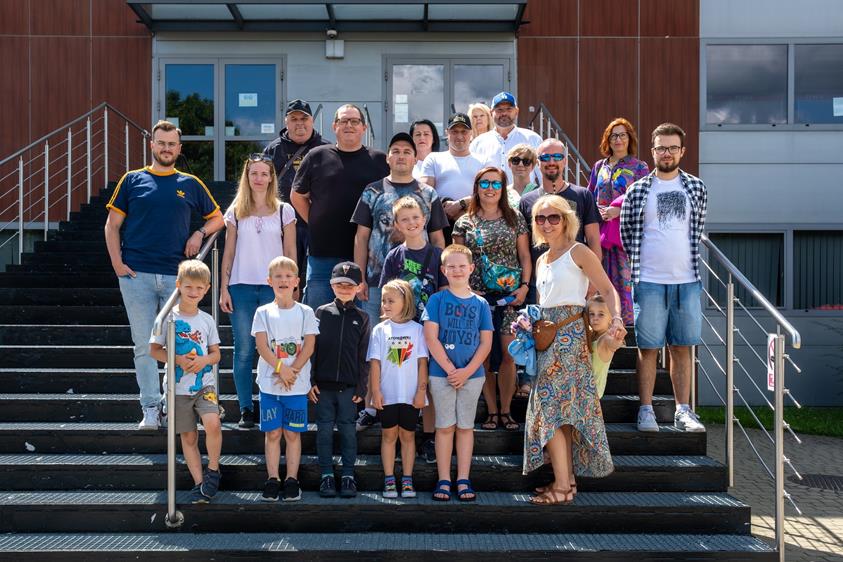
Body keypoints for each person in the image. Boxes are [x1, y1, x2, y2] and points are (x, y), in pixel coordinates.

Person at [104, 119, 223, 429]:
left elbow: (218, 218)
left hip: (176, 279)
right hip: (137, 276)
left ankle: (175, 405)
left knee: (178, 345)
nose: (166, 148)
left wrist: (198, 233)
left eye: (172, 144)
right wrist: (117, 264)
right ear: (152, 145)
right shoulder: (132, 180)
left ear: (178, 148)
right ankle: (151, 408)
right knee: (144, 345)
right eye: (161, 143)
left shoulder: (190, 183)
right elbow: (112, 225)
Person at [525, 196, 622, 505]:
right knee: (558, 415)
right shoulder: (542, 259)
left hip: (568, 338)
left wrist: (616, 318)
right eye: (540, 218)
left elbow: (607, 288)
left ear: (566, 220)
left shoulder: (578, 251)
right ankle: (564, 481)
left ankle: (564, 488)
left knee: (553, 412)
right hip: (547, 338)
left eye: (553, 217)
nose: (547, 223)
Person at [620, 123, 707, 434]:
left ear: (682, 151)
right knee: (648, 347)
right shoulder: (639, 189)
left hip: (687, 280)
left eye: (672, 147)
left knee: (682, 346)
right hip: (650, 281)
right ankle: (646, 409)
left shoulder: (696, 188)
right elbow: (627, 233)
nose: (666, 153)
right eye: (661, 148)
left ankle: (683, 410)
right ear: (652, 151)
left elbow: (694, 233)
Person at [220, 155, 297, 429]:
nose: (259, 178)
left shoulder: (284, 211)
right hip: (240, 287)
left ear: (271, 178)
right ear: (247, 176)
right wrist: (223, 288)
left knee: (275, 349)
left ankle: (271, 402)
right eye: (254, 173)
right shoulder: (236, 211)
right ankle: (245, 408)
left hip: (273, 289)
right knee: (243, 350)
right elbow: (228, 252)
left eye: (264, 173)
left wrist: (292, 286)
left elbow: (290, 252)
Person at [453, 167, 531, 432]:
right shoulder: (464, 222)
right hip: (477, 300)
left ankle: (507, 411)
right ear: (476, 187)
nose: (489, 188)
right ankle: (491, 411)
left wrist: (524, 287)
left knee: (509, 356)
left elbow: (524, 257)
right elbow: (456, 258)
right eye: (484, 183)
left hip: (509, 299)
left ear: (502, 187)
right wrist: (466, 291)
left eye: (495, 184)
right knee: (483, 357)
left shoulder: (516, 218)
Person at [291, 104, 389, 309]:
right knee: (319, 321)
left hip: (367, 256)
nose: (349, 125)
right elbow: (297, 196)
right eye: (343, 121)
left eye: (355, 121)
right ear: (334, 126)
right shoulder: (316, 156)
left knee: (363, 327)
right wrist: (316, 221)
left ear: (363, 128)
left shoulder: (380, 160)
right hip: (322, 254)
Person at [351, 132, 448, 326]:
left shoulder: (428, 194)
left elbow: (437, 239)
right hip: (377, 281)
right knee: (378, 339)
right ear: (388, 158)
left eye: (406, 152)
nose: (401, 156)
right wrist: (360, 276)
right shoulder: (372, 191)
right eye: (395, 151)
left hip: (421, 281)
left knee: (420, 341)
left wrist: (442, 280)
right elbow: (361, 237)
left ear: (415, 159)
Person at [422, 244, 493, 502]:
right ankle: (444, 479)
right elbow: (431, 338)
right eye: (451, 266)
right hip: (442, 375)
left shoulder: (481, 304)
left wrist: (466, 372)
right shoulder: (437, 300)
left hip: (472, 377)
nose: (457, 270)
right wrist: (452, 370)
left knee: (465, 427)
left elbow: (486, 342)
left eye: (462, 266)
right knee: (444, 427)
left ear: (471, 268)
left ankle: (463, 478)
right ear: (443, 270)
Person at [379, 196, 448, 463]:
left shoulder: (437, 255)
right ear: (396, 224)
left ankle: (428, 436)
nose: (411, 223)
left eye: (415, 217)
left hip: (428, 331)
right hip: (400, 332)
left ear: (424, 219)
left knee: (427, 383)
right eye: (404, 219)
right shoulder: (395, 256)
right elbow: (386, 297)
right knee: (401, 381)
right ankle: (400, 434)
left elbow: (443, 294)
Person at [149, 259, 222, 504]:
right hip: (177, 387)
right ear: (179, 285)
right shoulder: (167, 318)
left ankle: (213, 470)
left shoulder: (207, 320)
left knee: (212, 423)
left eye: (200, 288)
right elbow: (154, 350)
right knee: (189, 437)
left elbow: (216, 354)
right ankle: (200, 483)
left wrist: (204, 361)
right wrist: (177, 359)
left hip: (204, 384)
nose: (194, 293)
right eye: (189, 287)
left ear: (207, 289)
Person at [251, 256, 318, 502]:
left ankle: (291, 478)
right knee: (273, 433)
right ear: (269, 281)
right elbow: (261, 345)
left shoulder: (306, 312)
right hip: (270, 384)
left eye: (288, 276)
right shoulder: (263, 312)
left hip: (297, 386)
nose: (283, 280)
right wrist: (281, 368)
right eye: (278, 276)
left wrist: (293, 371)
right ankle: (272, 478)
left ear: (297, 282)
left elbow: (309, 345)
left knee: (292, 434)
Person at [308, 262, 371, 498]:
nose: (344, 288)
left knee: (347, 430)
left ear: (359, 287)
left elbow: (364, 355)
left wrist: (362, 385)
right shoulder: (320, 313)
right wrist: (310, 380)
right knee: (323, 430)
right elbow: (311, 350)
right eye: (339, 284)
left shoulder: (362, 317)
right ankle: (326, 475)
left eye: (350, 285)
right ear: (331, 285)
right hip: (322, 387)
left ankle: (347, 475)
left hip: (349, 388)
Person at [368, 279, 429, 498]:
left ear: (406, 301)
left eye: (391, 300)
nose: (385, 304)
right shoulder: (379, 330)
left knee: (408, 436)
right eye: (383, 300)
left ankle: (407, 479)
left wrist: (422, 391)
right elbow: (375, 363)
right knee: (388, 435)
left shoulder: (418, 330)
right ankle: (389, 479)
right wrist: (375, 392)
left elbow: (422, 363)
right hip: (388, 395)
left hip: (411, 396)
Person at [519, 139, 602, 299]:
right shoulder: (527, 201)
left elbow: (593, 240)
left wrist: (593, 280)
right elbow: (523, 249)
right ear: (538, 163)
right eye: (545, 158)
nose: (551, 162)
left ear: (565, 161)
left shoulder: (583, 195)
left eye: (557, 157)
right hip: (539, 283)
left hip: (576, 280)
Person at [587, 118, 649, 326]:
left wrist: (619, 210)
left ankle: (626, 325)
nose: (618, 139)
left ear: (629, 138)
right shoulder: (599, 166)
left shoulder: (640, 167)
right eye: (614, 135)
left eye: (623, 135)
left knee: (625, 279)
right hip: (600, 232)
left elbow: (645, 200)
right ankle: (600, 325)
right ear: (608, 139)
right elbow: (589, 196)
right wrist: (598, 212)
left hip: (624, 235)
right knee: (599, 277)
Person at [263, 99, 329, 284]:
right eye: (294, 119)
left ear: (312, 122)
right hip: (281, 227)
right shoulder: (273, 150)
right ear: (286, 122)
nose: (299, 123)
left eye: (304, 118)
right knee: (284, 276)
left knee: (313, 278)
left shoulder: (326, 148)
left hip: (315, 226)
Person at [419, 113, 485, 224]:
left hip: (474, 223)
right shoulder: (433, 158)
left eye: (464, 131)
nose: (459, 136)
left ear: (471, 133)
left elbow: (489, 193)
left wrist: (460, 204)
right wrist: (446, 208)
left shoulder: (483, 161)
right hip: (441, 222)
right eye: (455, 132)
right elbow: (424, 193)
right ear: (447, 133)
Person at [469, 92, 541, 185]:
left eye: (509, 109)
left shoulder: (533, 139)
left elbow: (541, 175)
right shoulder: (478, 143)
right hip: (490, 197)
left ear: (516, 111)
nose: (504, 113)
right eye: (499, 110)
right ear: (491, 113)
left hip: (524, 198)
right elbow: (472, 177)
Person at [585, 294, 626, 398]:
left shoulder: (604, 339)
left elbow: (612, 343)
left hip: (592, 394)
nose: (595, 318)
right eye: (592, 314)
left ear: (611, 319)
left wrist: (617, 339)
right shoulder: (591, 335)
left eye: (601, 314)